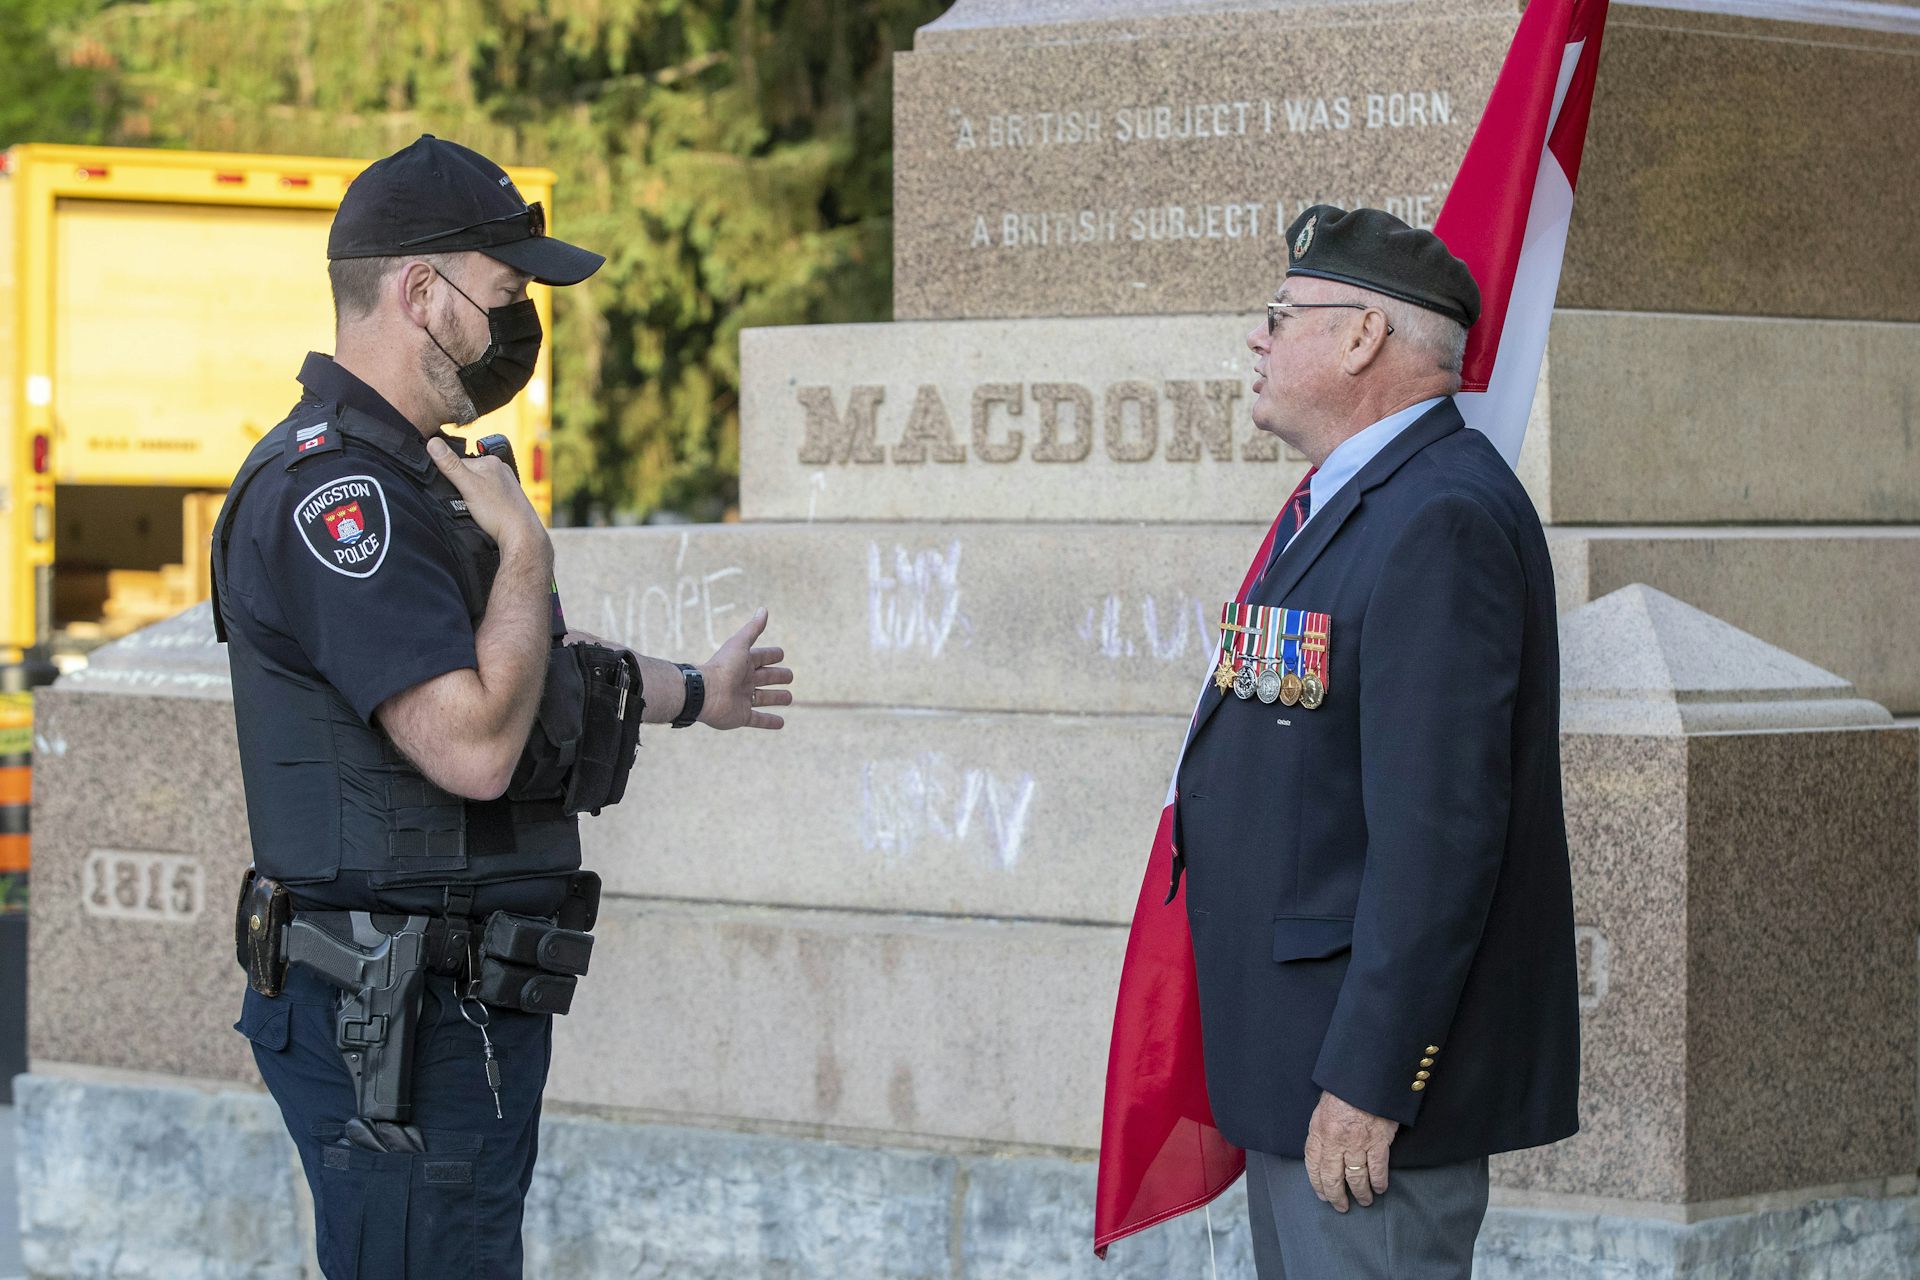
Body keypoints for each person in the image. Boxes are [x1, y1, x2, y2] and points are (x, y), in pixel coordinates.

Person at [210, 135, 793, 1279]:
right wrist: (524, 547)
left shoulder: (415, 469)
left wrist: (696, 693)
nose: (519, 326)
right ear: (418, 293)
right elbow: (474, 743)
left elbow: (533, 667)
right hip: (403, 1029)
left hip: (443, 1013)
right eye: (506, 296)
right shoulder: (346, 495)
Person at [1172, 205, 1579, 1278]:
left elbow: (1440, 839)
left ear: (1361, 338)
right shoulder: (1350, 504)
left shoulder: (1438, 518)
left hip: (1358, 1091)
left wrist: (1370, 1078)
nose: (1257, 339)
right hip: (1293, 1061)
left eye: (1280, 315)